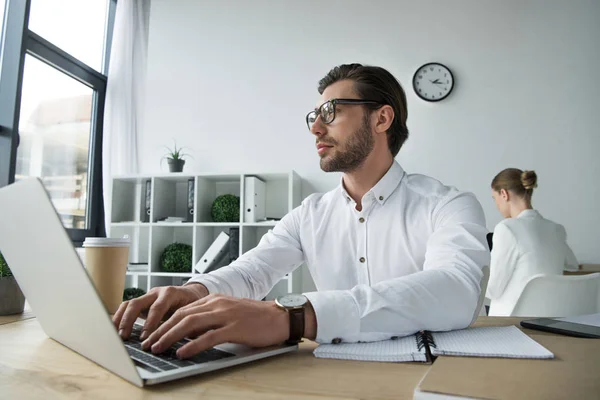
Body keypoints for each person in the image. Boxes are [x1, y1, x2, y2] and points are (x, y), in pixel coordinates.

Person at [113, 63, 490, 359]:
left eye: (330, 111)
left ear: (381, 119)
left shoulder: (448, 205)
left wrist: (295, 317)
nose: (316, 129)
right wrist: (196, 292)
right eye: (314, 117)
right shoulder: (309, 214)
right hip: (332, 378)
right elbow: (253, 271)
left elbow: (455, 291)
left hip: (435, 378)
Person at [486, 168, 579, 316]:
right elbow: (573, 266)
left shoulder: (506, 228)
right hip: (549, 318)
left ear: (504, 194)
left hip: (509, 322)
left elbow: (492, 290)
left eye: (494, 198)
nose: (496, 205)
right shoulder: (555, 229)